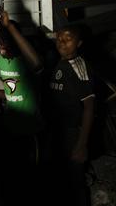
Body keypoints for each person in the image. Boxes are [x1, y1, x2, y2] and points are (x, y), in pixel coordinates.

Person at [48, 26, 94, 206]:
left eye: (68, 39)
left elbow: (89, 108)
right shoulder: (59, 63)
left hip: (72, 133)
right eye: (59, 38)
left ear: (79, 43)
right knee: (58, 179)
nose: (62, 42)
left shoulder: (79, 67)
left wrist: (81, 145)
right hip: (57, 130)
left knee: (75, 183)